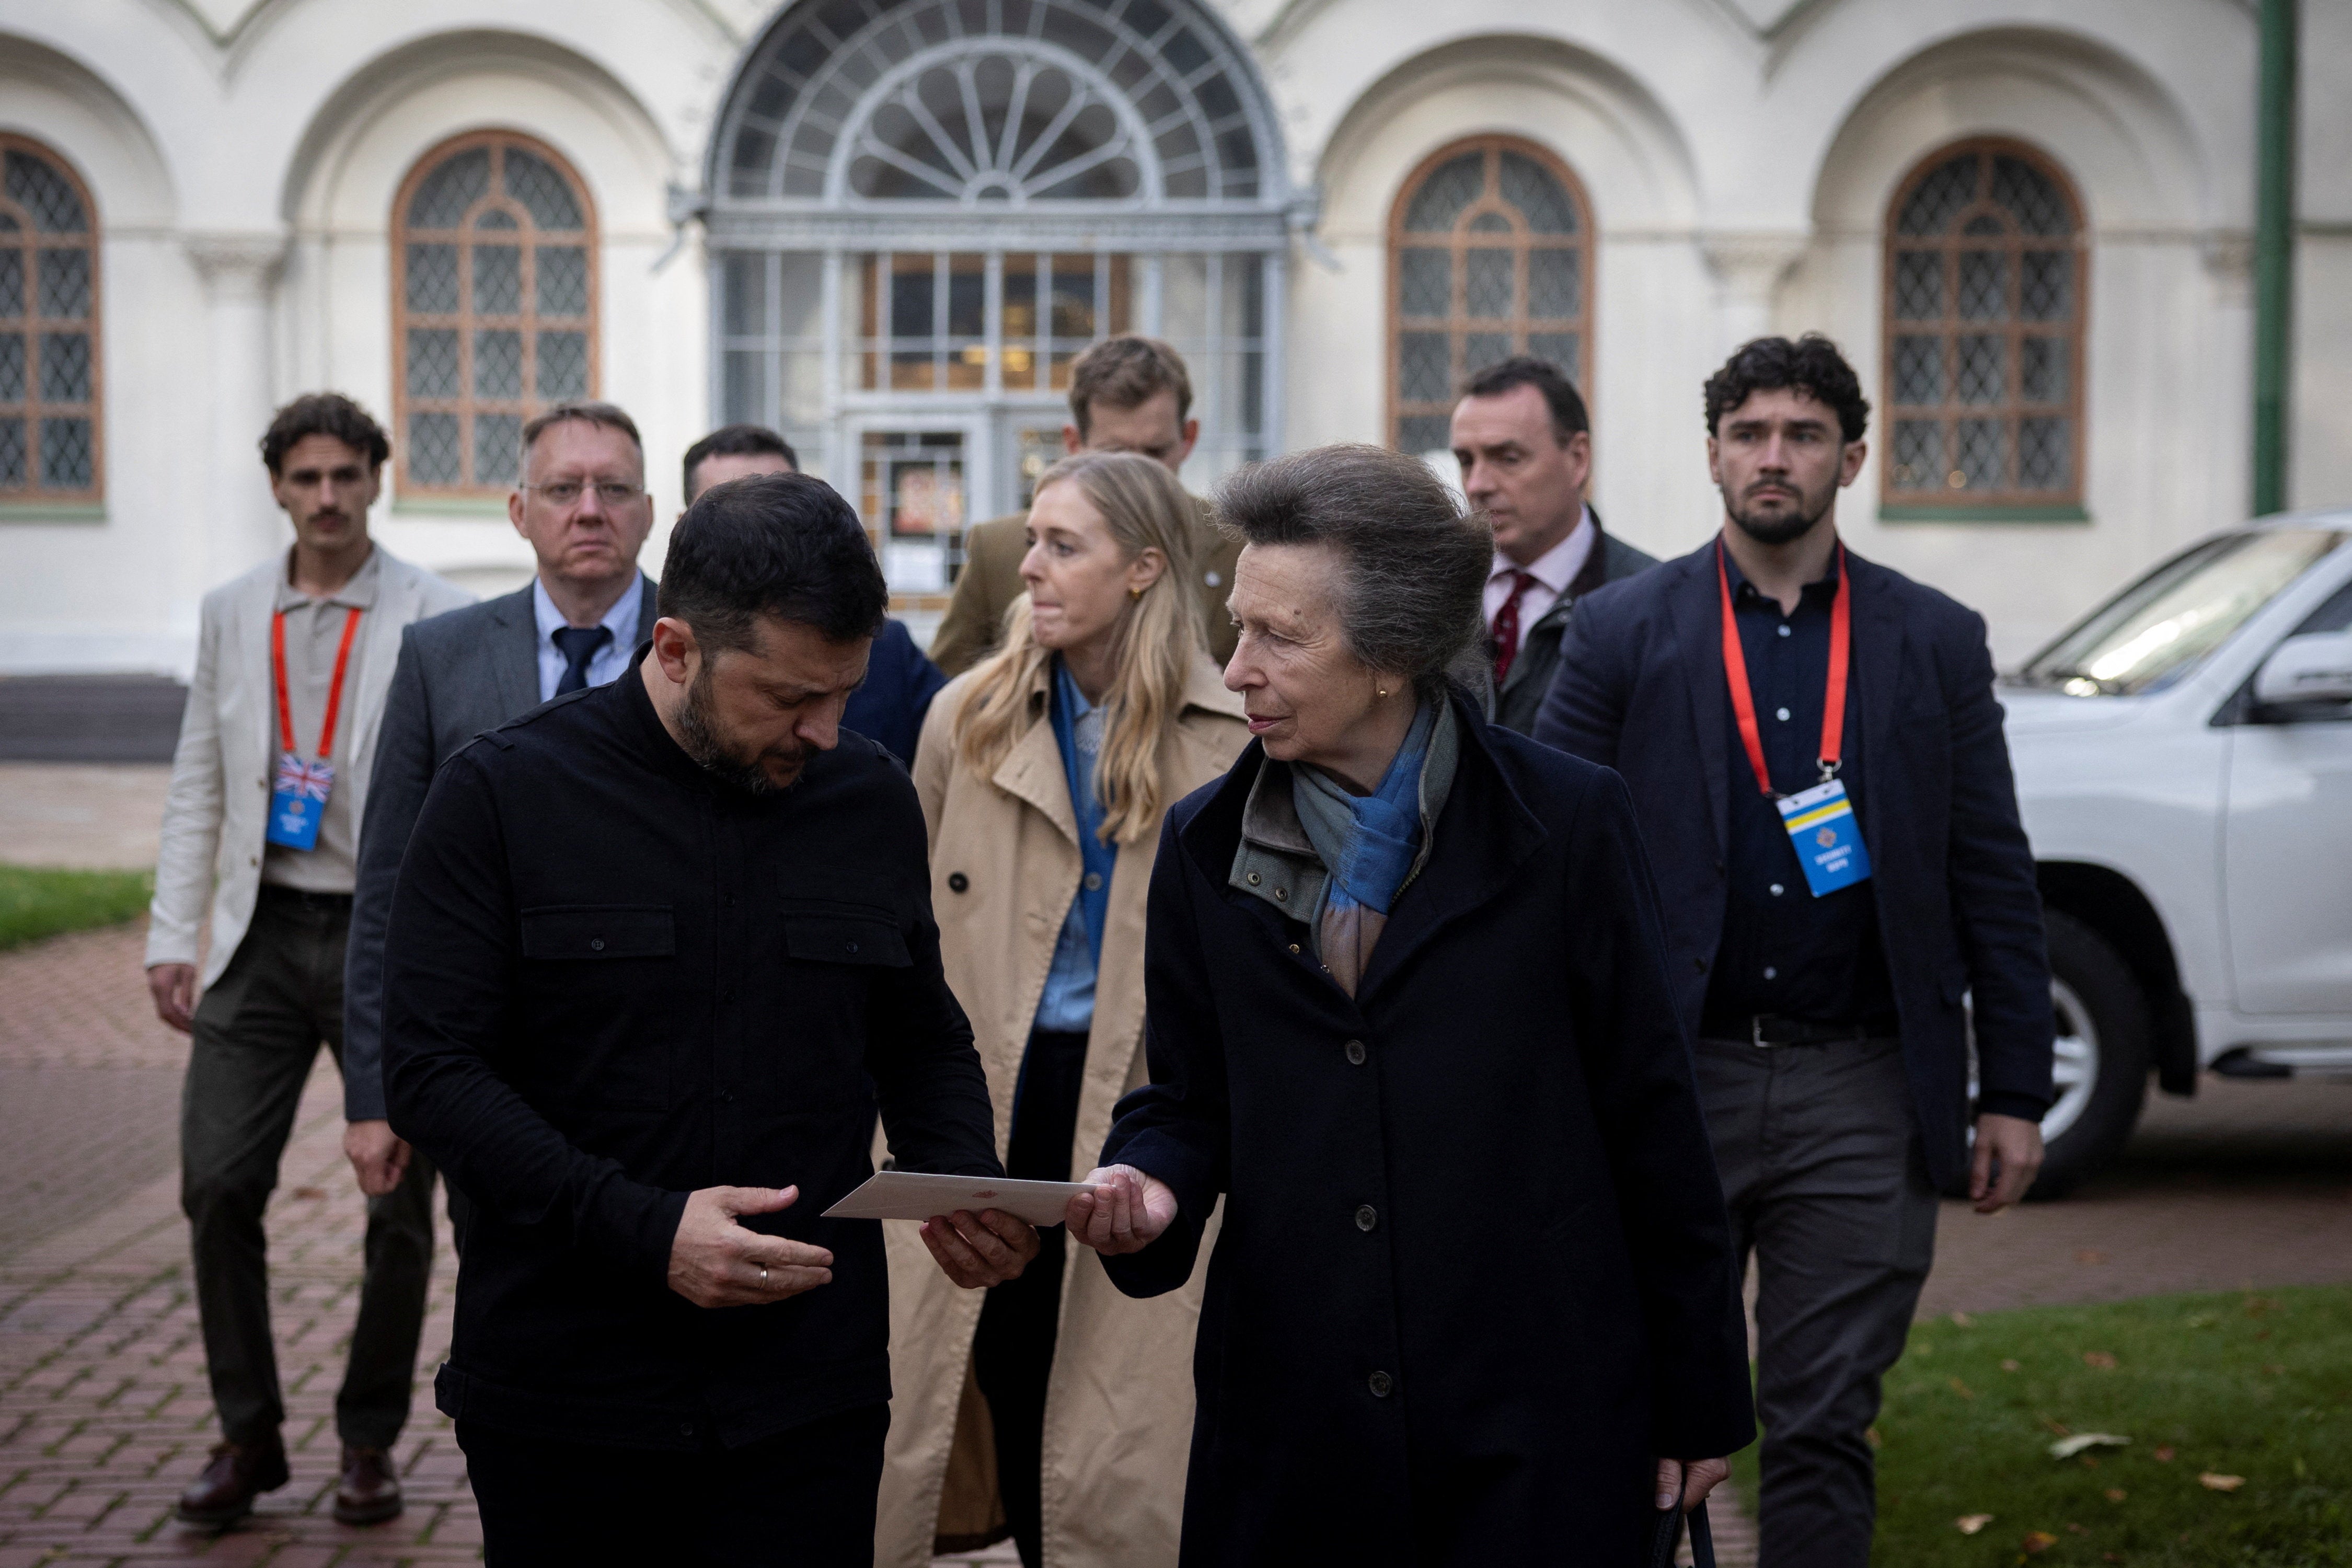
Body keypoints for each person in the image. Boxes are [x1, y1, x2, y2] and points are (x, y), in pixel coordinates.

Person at [1062, 444, 1755, 1564]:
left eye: (1280, 637)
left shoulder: (1568, 823)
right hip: (1297, 1423)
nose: (1236, 670)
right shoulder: (1201, 846)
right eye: (1238, 628)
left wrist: (1697, 1397)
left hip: (1535, 1414)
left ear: (1392, 655)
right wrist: (1149, 1180)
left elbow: (1652, 1115)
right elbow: (1189, 1099)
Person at [379, 471, 1038, 1564]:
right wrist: (646, 1230)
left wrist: (962, 1174)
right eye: (788, 699)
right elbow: (432, 1072)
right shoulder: (501, 796)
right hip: (570, 1393)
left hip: (808, 1399)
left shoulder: (870, 798)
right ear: (676, 649)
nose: (825, 731)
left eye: (844, 693)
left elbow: (919, 1034)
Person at [1535, 335, 2054, 1567]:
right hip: (1674, 1078)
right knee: (1642, 1413)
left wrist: (2015, 1090)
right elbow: (1544, 867)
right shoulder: (1617, 631)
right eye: (1750, 433)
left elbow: (1990, 868)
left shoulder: (1934, 637)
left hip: (1859, 1084)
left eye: (1804, 434)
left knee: (1823, 1423)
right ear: (1714, 454)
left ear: (1851, 458)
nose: (1775, 457)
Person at [879, 453, 1250, 1568]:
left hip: (1150, 1105)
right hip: (986, 1091)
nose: (1029, 567)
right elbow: (907, 931)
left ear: (1145, 568)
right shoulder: (964, 718)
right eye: (1032, 539)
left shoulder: (1235, 734)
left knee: (1118, 1411)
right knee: (992, 1360)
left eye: (1063, 545)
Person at [144, 394, 472, 1528]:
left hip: (387, 938)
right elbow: (198, 777)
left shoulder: (438, 614)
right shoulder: (233, 610)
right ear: (278, 489)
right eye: (305, 478)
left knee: (398, 1197)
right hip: (262, 932)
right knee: (217, 1180)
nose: (327, 497)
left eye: (345, 475)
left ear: (377, 478)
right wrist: (170, 933)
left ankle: (369, 1438)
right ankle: (248, 1434)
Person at [343, 399, 659, 1254]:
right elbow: (388, 885)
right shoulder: (438, 658)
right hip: (492, 1066)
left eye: (613, 489)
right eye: (562, 489)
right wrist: (373, 1091)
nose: (589, 510)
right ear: (520, 511)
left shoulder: (701, 649)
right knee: (505, 1282)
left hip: (662, 1059)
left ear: (648, 512)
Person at [929, 337, 1241, 676]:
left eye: (1155, 453)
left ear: (1188, 439)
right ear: (1074, 444)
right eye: (1115, 456)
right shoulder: (1000, 551)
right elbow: (946, 690)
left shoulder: (1240, 548)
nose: (1139, 475)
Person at [682, 423, 945, 766]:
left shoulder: (885, 652)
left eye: (781, 510)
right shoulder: (663, 659)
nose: (824, 734)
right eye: (786, 697)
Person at [1450, 356, 1655, 735]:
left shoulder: (1649, 600)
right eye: (1465, 461)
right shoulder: (1432, 592)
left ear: (1577, 459)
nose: (1478, 484)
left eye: (1508, 459)